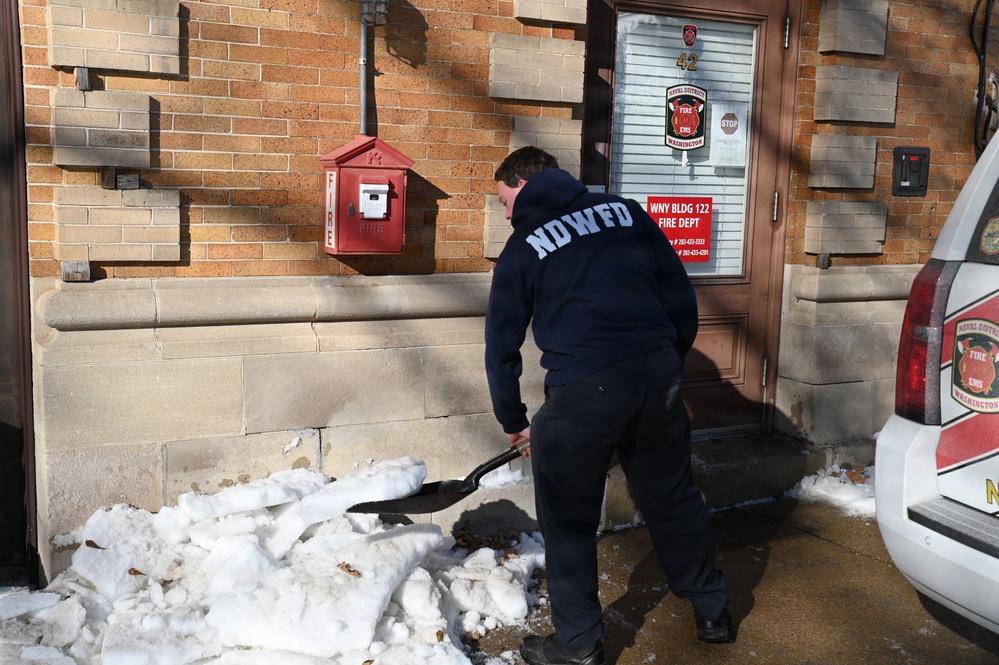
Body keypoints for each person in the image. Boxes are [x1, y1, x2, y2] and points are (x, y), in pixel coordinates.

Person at [484, 147, 733, 665]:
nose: (506, 212)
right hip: (655, 374)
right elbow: (678, 295)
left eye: (506, 200)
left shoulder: (525, 244)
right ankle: (712, 611)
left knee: (569, 520)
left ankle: (578, 646)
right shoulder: (627, 212)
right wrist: (666, 357)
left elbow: (501, 344)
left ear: (524, 185)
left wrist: (514, 420)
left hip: (583, 390)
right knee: (672, 495)